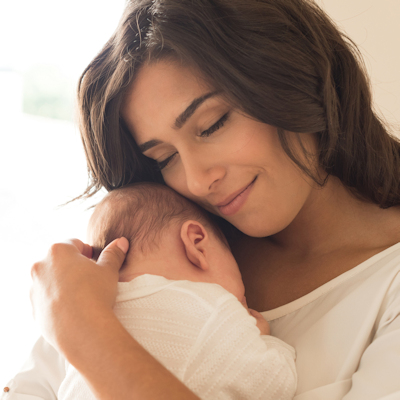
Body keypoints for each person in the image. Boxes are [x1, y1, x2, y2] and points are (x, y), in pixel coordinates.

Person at [3, 0, 400, 399]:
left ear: (294, 76)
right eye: (165, 158)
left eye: (212, 125)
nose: (195, 181)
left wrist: (86, 332)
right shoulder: (163, 255)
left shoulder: (389, 286)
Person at [58, 182, 296, 400]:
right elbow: (275, 384)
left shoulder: (85, 329)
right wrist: (264, 339)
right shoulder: (212, 309)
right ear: (197, 243)